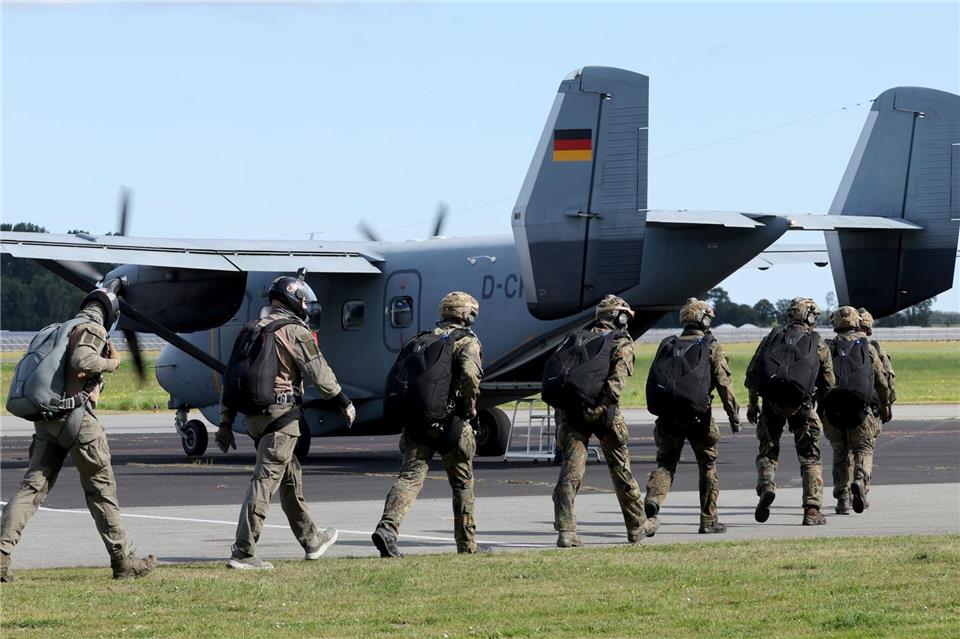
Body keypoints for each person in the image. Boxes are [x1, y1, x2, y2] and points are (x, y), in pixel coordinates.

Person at [0, 288, 157, 582]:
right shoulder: (94, 329)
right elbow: (82, 361)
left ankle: (1, 556)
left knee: (30, 491)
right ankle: (123, 562)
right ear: (111, 315)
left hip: (48, 422)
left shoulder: (60, 329)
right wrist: (113, 363)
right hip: (77, 420)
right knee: (102, 491)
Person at [216, 274, 355, 570]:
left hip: (254, 419)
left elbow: (232, 377)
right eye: (303, 300)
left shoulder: (252, 328)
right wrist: (344, 402)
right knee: (264, 482)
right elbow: (319, 372)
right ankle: (243, 551)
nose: (306, 305)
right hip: (282, 417)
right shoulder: (294, 331)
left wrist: (226, 423)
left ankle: (311, 540)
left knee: (290, 480)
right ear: (294, 299)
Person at [372, 292, 485, 558]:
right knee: (462, 483)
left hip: (417, 423)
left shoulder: (420, 339)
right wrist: (469, 409)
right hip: (453, 424)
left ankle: (387, 528)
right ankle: (467, 546)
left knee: (410, 478)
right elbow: (470, 376)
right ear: (468, 315)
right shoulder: (466, 341)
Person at [550, 295, 658, 548]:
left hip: (572, 414)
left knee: (570, 473)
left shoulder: (574, 339)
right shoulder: (621, 342)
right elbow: (617, 383)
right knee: (621, 470)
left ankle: (566, 531)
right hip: (606, 414)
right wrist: (600, 408)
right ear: (618, 317)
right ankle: (637, 526)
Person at [643, 298, 741, 534]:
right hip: (699, 417)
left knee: (666, 463)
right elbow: (724, 384)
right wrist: (734, 415)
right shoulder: (710, 345)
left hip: (667, 417)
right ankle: (709, 521)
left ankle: (654, 499)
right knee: (707, 465)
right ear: (704, 320)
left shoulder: (667, 343)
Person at [745, 297, 836, 526]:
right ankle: (812, 511)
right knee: (810, 457)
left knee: (767, 452)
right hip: (803, 407)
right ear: (810, 317)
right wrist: (819, 405)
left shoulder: (772, 337)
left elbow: (752, 375)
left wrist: (753, 404)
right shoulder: (818, 343)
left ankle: (766, 485)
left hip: (770, 406)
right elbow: (829, 382)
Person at [821, 306, 890, 514]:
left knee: (840, 452)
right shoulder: (867, 348)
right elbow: (881, 381)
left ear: (835, 323)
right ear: (856, 323)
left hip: (833, 410)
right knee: (864, 449)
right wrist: (886, 403)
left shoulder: (825, 347)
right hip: (861, 410)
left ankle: (842, 499)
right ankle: (860, 480)